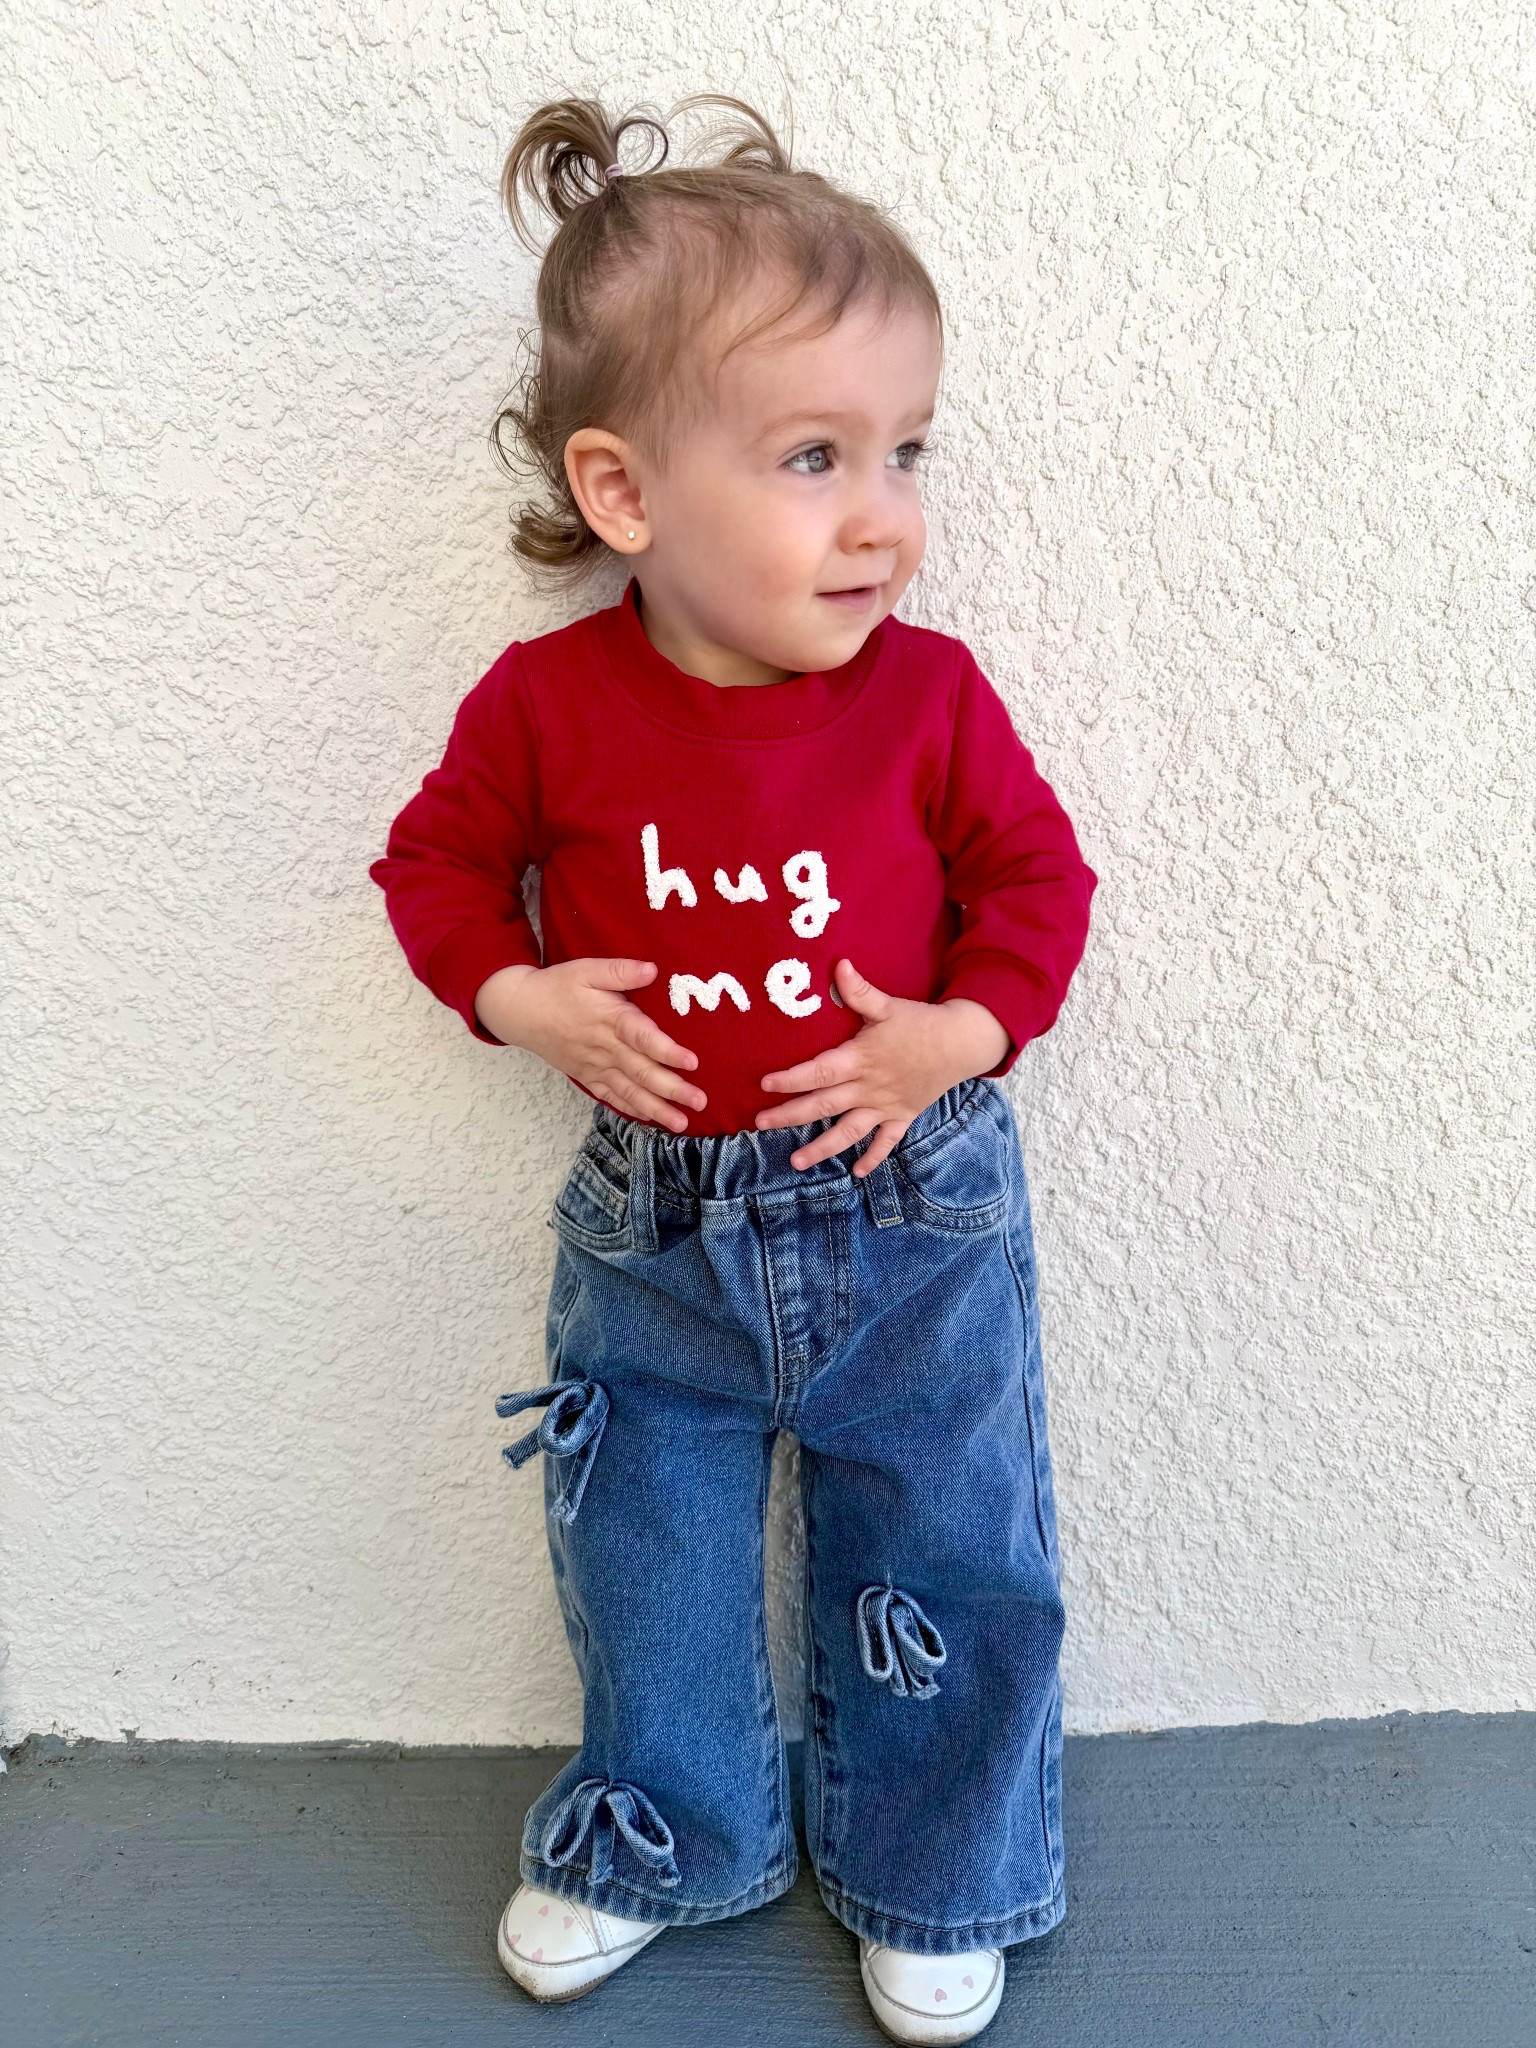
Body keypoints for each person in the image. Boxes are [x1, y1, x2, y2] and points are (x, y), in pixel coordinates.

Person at [369, 91, 1097, 2046]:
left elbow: (1039, 879)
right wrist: (516, 995)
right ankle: (665, 1835)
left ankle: (939, 1865)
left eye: (904, 450)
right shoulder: (548, 706)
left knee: (941, 1546)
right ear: (625, 494)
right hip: (656, 1232)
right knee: (654, 1550)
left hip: (908, 1214)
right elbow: (431, 867)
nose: (887, 512)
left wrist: (961, 1030)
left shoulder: (929, 701)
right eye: (813, 456)